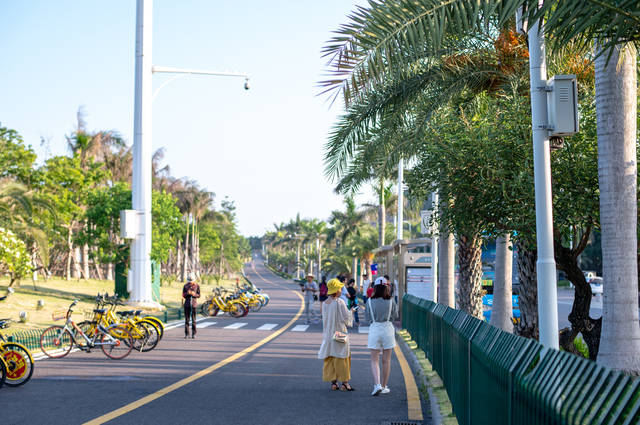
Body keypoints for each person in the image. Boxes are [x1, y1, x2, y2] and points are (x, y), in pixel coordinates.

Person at [318, 278, 354, 392]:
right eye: (340, 288)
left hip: (328, 334)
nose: (341, 290)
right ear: (336, 290)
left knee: (330, 357)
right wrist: (352, 312)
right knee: (342, 357)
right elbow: (346, 318)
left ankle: (334, 383)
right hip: (339, 333)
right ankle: (345, 383)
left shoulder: (325, 303)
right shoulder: (339, 302)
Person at [367, 281, 398, 396]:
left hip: (375, 328)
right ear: (386, 288)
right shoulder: (391, 301)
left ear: (375, 288)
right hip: (387, 328)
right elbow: (395, 316)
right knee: (386, 360)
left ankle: (377, 384)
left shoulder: (369, 301)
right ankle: (384, 386)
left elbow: (367, 317)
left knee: (374, 360)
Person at [182, 273, 201, 339]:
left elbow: (199, 295)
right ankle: (187, 334)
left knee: (194, 320)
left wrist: (194, 294)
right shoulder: (185, 286)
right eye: (189, 281)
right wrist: (187, 293)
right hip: (187, 304)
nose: (190, 282)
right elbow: (183, 295)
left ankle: (194, 334)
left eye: (191, 281)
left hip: (194, 304)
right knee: (187, 320)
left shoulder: (197, 286)